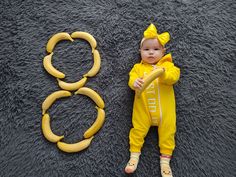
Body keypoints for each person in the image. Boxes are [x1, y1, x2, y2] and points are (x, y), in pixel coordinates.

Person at [125, 23, 180, 177]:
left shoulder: (168, 67)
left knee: (168, 133)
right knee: (137, 131)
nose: (151, 53)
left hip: (165, 112)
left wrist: (162, 74)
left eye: (156, 49)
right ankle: (134, 156)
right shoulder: (137, 68)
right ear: (140, 52)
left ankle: (165, 162)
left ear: (163, 52)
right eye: (146, 49)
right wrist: (134, 83)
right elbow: (131, 79)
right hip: (144, 110)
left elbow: (174, 78)